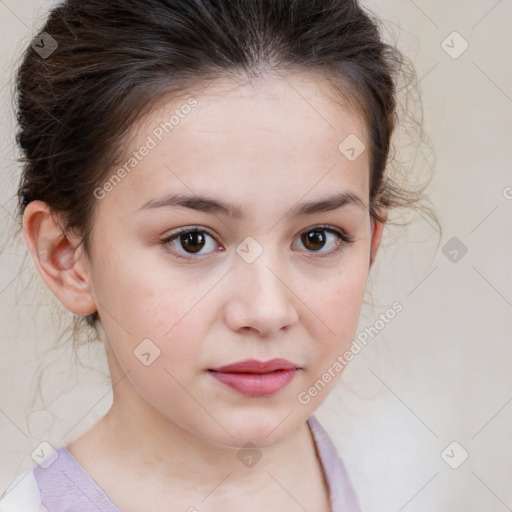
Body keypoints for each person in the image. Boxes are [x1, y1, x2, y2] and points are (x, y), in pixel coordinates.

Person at [0, 0, 437, 510]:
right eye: (193, 240)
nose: (266, 311)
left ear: (370, 245)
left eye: (318, 237)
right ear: (66, 256)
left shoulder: (414, 483)